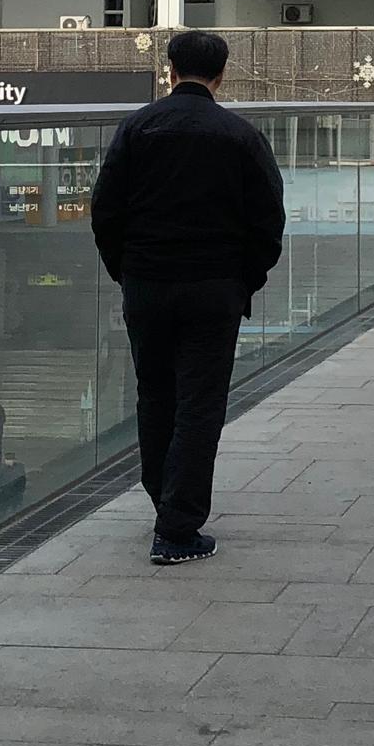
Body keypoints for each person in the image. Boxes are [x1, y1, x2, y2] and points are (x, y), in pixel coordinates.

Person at [89, 28, 285, 566]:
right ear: (222, 75)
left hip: (148, 285)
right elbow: (268, 221)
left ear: (169, 71)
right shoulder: (240, 135)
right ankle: (177, 527)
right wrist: (243, 280)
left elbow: (105, 210)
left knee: (155, 397)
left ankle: (163, 502)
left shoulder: (137, 127)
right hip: (214, 289)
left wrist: (127, 272)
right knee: (200, 404)